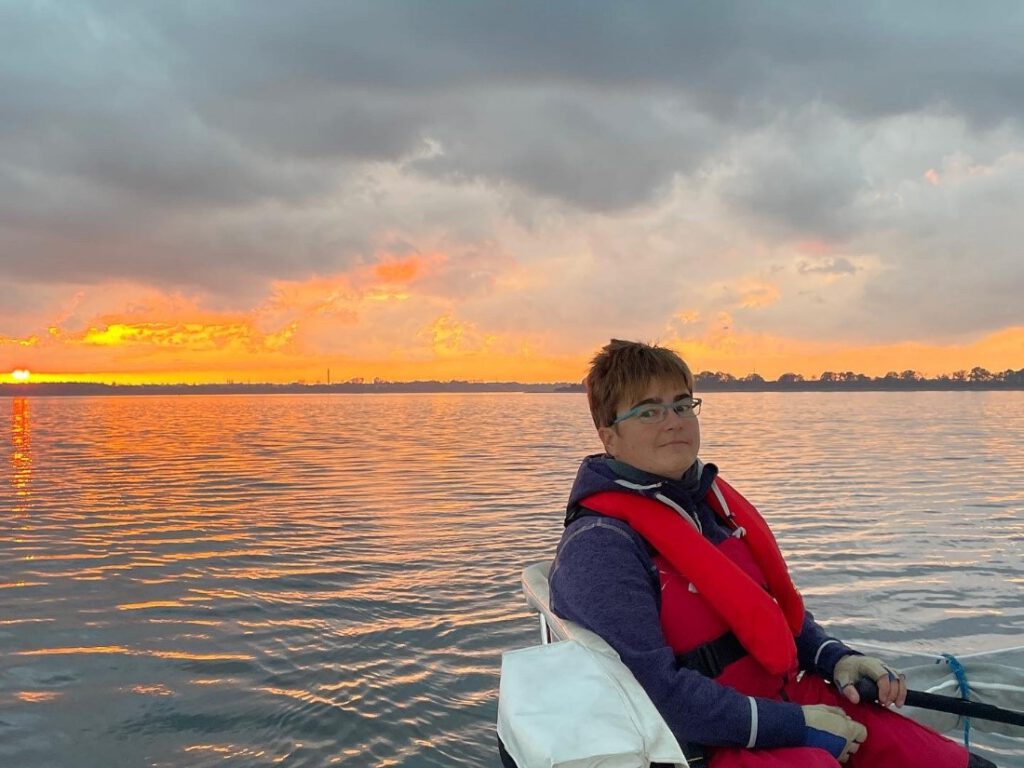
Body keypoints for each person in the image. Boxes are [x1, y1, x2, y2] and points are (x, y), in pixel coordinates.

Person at [547, 339, 994, 768]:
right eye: (649, 411)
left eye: (683, 404)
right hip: (712, 742)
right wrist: (793, 726)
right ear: (609, 435)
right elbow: (654, 693)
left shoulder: (710, 508)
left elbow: (769, 616)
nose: (674, 420)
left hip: (792, 698)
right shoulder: (602, 546)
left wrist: (834, 657)